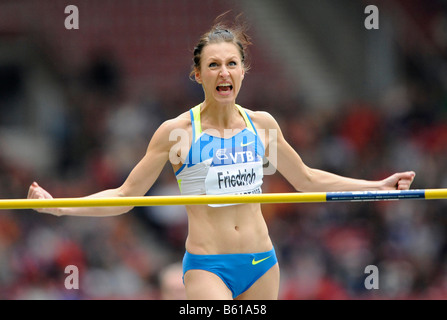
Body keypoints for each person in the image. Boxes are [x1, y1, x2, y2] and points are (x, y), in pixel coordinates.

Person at [27, 14, 416, 300]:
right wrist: (60, 207)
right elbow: (124, 195)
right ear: (198, 74)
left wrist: (376, 185)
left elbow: (309, 180)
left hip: (262, 264)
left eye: (231, 63)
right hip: (208, 268)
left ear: (244, 71)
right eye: (213, 65)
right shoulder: (176, 132)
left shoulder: (262, 125)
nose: (223, 72)